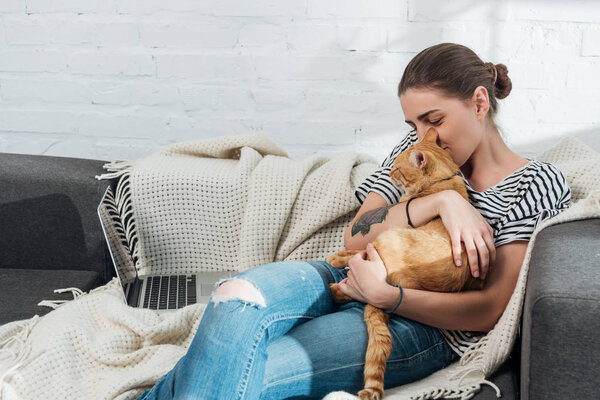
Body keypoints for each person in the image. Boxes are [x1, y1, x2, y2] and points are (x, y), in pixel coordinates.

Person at [135, 42, 571, 399]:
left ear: (479, 102)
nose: (425, 136)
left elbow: (491, 308)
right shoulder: (415, 148)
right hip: (347, 269)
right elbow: (359, 230)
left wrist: (389, 296)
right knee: (236, 294)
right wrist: (439, 204)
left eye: (434, 119)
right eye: (414, 123)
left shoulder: (536, 182)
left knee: (253, 369)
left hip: (420, 325)